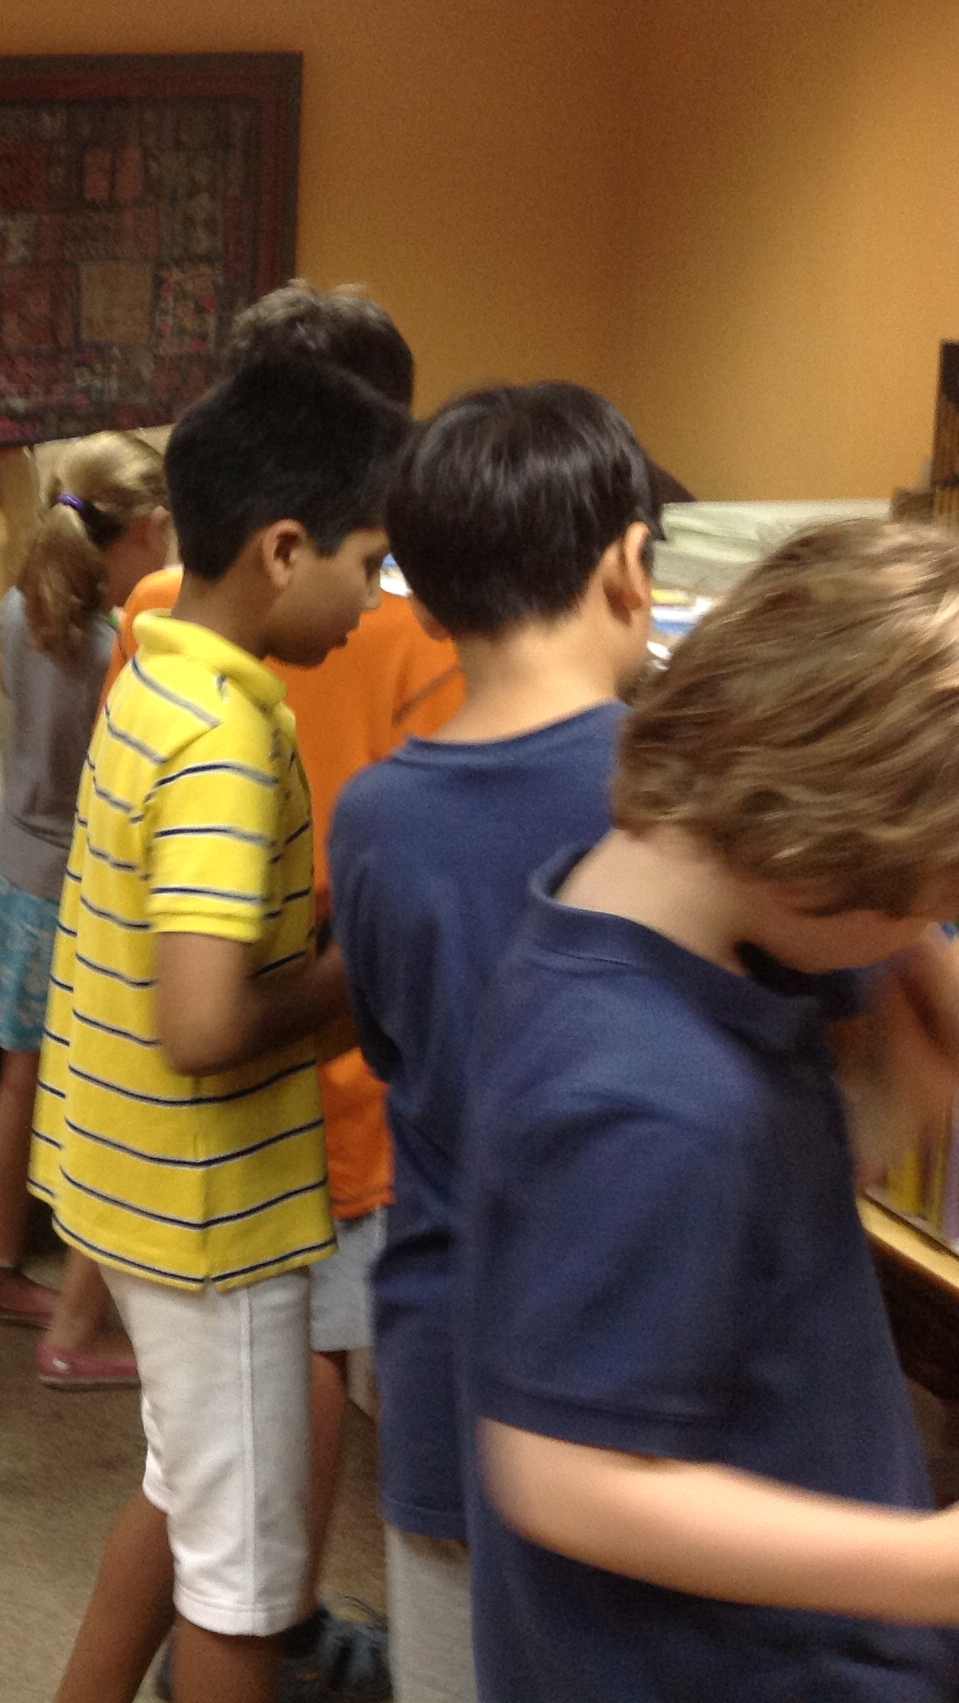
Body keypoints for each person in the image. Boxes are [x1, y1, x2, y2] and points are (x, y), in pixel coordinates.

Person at [462, 518, 959, 1701]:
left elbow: (751, 1225)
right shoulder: (649, 1100)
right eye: (933, 900)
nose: (925, 935)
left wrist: (908, 983)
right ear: (815, 861)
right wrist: (932, 1569)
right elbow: (565, 1476)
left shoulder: (666, 906)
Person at [78, 283, 454, 1695]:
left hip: (144, 1174)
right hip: (229, 1194)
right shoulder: (235, 736)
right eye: (370, 559)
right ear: (289, 544)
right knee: (243, 1574)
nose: (376, 594)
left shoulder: (162, 659)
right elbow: (205, 1019)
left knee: (190, 1492)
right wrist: (355, 980)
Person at [324, 383, 660, 1702]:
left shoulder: (376, 816)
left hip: (450, 1344)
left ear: (421, 597)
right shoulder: (680, 788)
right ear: (630, 565)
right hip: (643, 1358)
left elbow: (396, 1046)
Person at [0, 431, 168, 1383]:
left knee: (16, 1079)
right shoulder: (115, 643)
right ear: (144, 531)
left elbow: (18, 695)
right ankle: (26, 1284)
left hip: (12, 869)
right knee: (71, 1092)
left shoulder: (17, 610)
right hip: (68, 884)